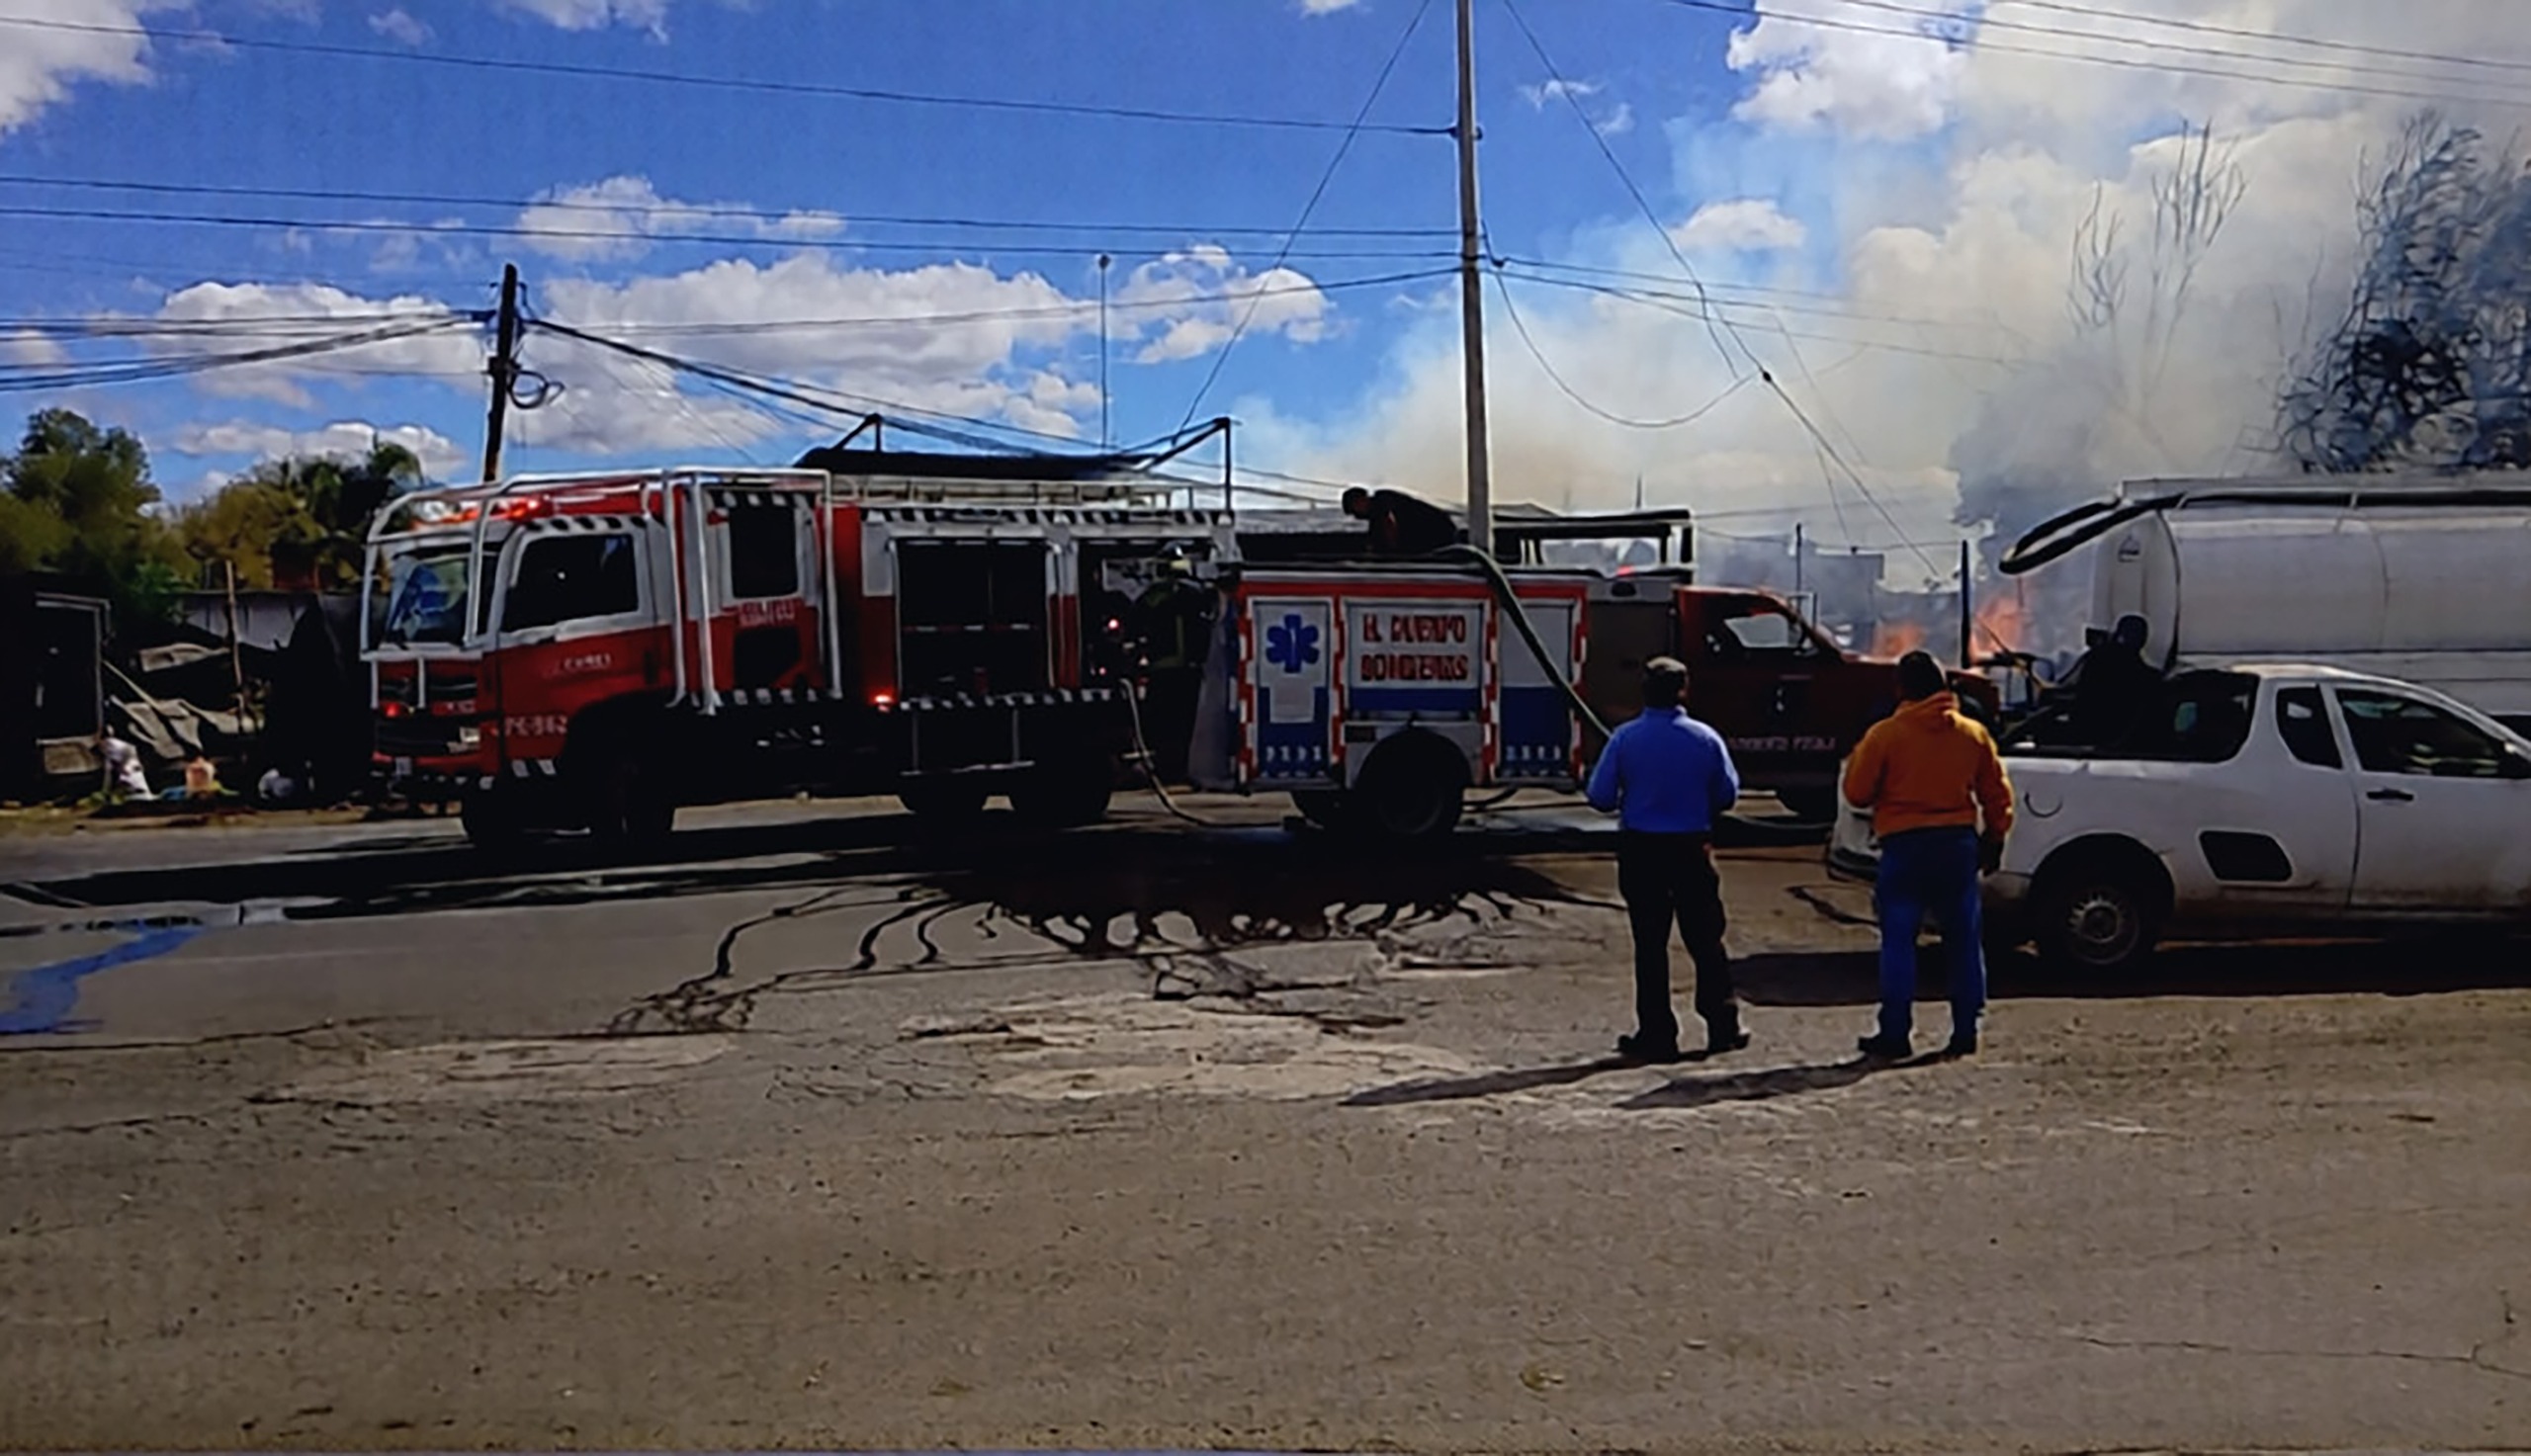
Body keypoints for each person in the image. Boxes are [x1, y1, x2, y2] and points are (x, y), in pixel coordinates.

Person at [1841, 649, 2016, 1060]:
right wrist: (1996, 835)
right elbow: (1996, 792)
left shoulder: (1886, 735)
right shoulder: (1972, 734)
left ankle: (1896, 1032)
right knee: (1963, 939)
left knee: (1899, 940)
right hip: (1956, 845)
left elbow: (1857, 793)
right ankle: (1966, 1029)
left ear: (1901, 688)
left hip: (1904, 847)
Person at [1584, 655, 1749, 1062]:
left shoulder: (1624, 739)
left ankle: (1657, 1033)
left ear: (1644, 692)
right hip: (1692, 849)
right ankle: (1722, 1025)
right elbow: (1727, 796)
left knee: (1650, 945)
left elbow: (1600, 797)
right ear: (1684, 690)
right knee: (1706, 940)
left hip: (1641, 851)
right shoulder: (1705, 738)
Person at [1341, 485, 1462, 557]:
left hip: (1437, 532)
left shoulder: (1383, 501)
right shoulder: (1379, 510)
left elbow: (1390, 525)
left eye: (1355, 509)